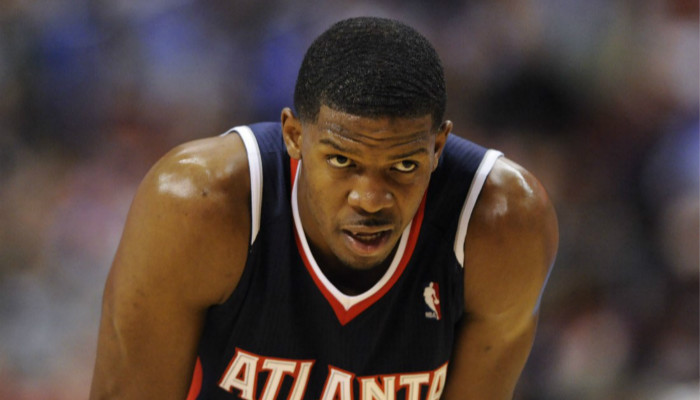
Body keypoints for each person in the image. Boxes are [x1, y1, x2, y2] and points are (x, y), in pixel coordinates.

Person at [89, 16, 558, 400]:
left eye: (403, 165)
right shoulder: (199, 206)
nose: (370, 198)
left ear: (438, 147)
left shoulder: (504, 224)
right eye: (342, 161)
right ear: (294, 136)